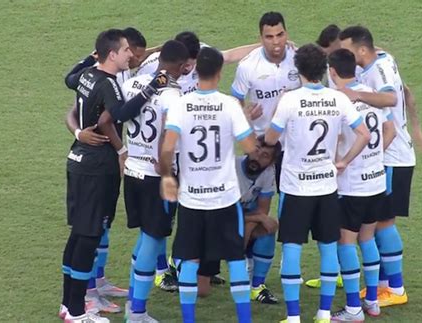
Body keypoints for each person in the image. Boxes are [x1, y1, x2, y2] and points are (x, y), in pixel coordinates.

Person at [265, 44, 370, 323]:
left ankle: (294, 316)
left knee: (291, 248)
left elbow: (271, 139)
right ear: (324, 69)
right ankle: (324, 312)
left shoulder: (289, 100)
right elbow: (364, 133)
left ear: (298, 69)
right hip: (326, 187)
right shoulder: (338, 99)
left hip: (296, 188)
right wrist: (344, 161)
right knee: (328, 248)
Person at [160, 46, 256, 323]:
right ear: (219, 71)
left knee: (189, 259)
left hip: (191, 198)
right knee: (236, 259)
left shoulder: (180, 104)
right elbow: (250, 147)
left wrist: (168, 177)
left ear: (196, 70)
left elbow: (167, 149)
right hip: (224, 199)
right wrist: (246, 121)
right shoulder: (229, 105)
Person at [339, 26, 422, 307]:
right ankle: (384, 286)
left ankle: (396, 288)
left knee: (384, 223)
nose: (345, 56)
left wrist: (358, 96)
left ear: (362, 50)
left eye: (348, 50)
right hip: (391, 155)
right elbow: (406, 91)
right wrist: (416, 126)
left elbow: (391, 97)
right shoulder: (381, 59)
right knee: (375, 225)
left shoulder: (379, 69)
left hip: (393, 158)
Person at [60, 28, 133, 323]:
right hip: (96, 168)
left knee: (79, 234)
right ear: (112, 55)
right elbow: (118, 114)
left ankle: (68, 305)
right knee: (88, 236)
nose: (130, 54)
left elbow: (69, 78)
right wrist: (152, 89)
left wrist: (88, 58)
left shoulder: (87, 74)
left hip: (77, 159)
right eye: (126, 49)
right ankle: (77, 312)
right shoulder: (108, 84)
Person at [120, 40, 189, 323]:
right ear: (183, 67)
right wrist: (168, 175)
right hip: (156, 178)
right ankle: (137, 312)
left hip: (132, 171)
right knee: (154, 237)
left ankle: (132, 303)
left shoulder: (132, 85)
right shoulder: (174, 97)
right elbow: (167, 141)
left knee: (145, 237)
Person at [327, 49, 396, 321]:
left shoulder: (338, 101)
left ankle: (354, 307)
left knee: (346, 242)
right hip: (376, 182)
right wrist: (374, 158)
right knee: (367, 239)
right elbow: (390, 130)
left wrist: (341, 161)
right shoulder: (370, 94)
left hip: (351, 185)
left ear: (332, 72)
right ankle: (372, 301)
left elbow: (332, 142)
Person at [196, 135, 281, 304]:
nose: (257, 157)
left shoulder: (268, 173)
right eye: (257, 151)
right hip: (214, 225)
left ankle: (256, 286)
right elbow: (223, 213)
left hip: (239, 223)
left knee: (267, 229)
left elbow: (262, 211)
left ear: (271, 162)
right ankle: (181, 264)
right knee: (201, 291)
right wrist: (252, 221)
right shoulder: (231, 167)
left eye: (265, 156)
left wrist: (252, 221)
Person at [231, 11, 301, 193]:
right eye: (269, 37)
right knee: (258, 195)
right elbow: (237, 98)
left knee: (295, 196)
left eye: (280, 35)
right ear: (261, 38)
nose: (276, 41)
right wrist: (245, 118)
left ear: (286, 33)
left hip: (295, 141)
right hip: (263, 145)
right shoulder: (248, 66)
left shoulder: (299, 59)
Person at [137, 31, 261, 95]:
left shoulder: (204, 55)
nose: (189, 68)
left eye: (192, 63)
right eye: (185, 65)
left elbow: (229, 56)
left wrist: (264, 46)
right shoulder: (151, 66)